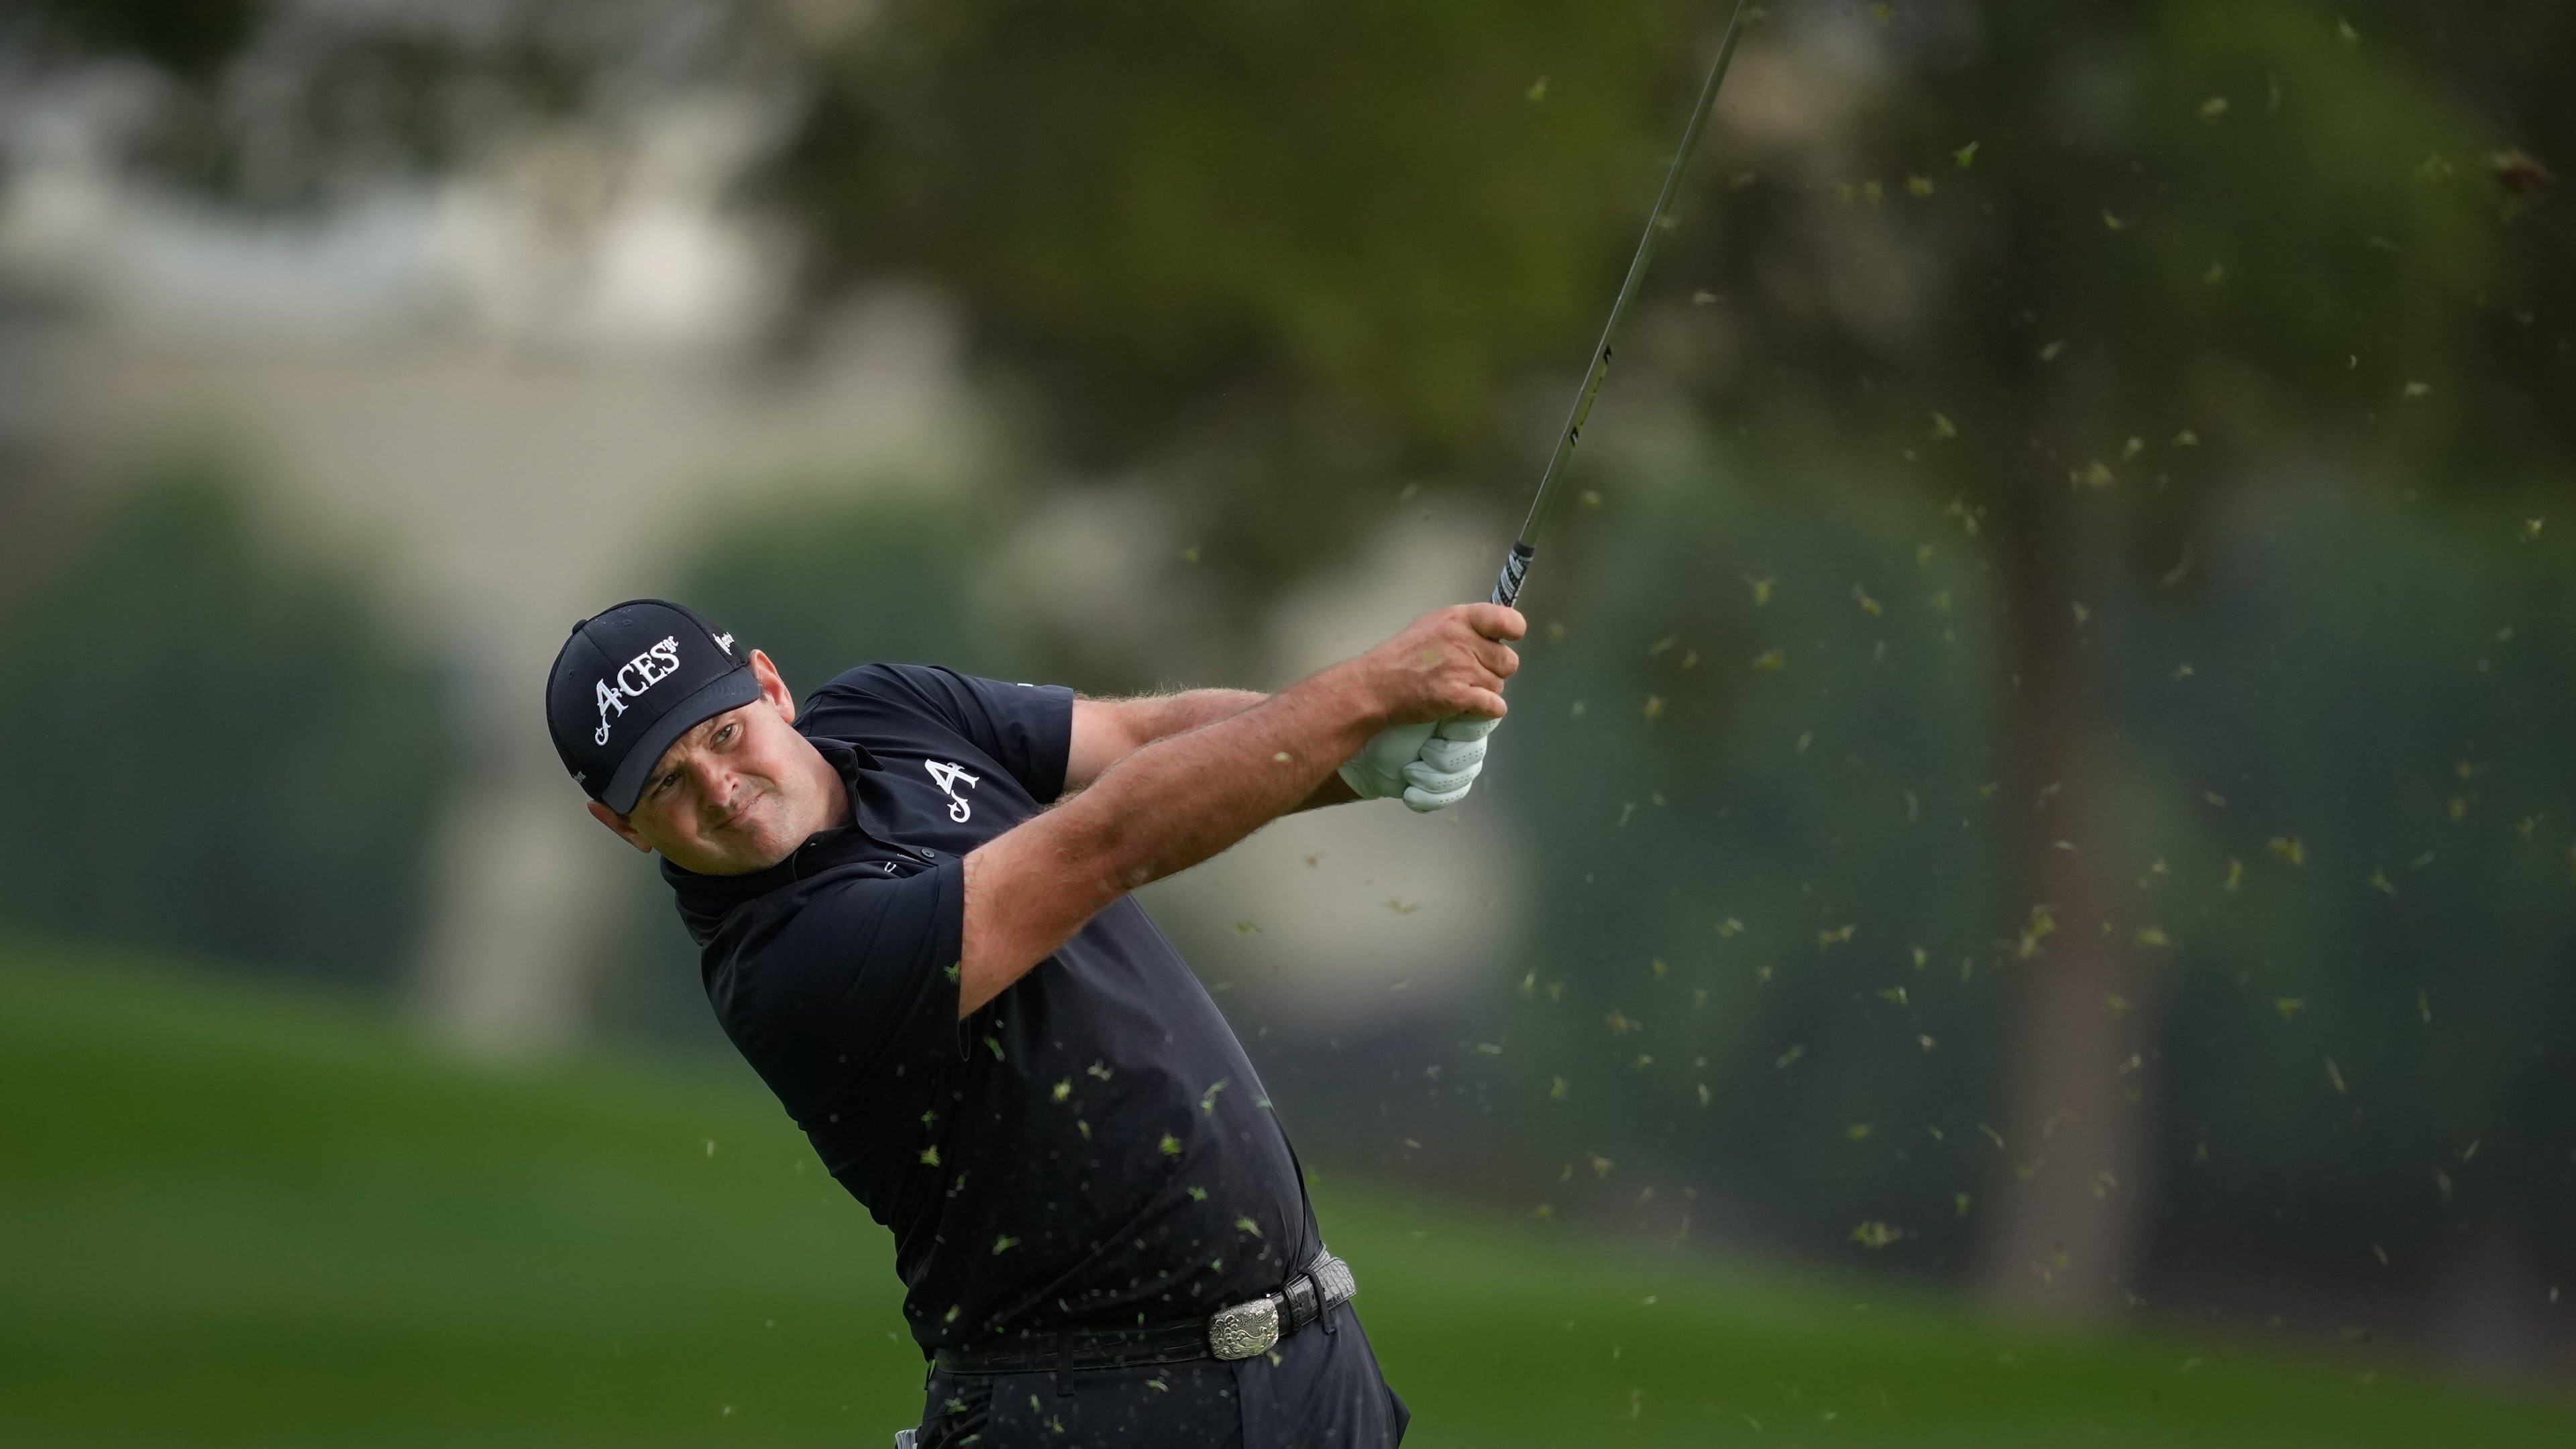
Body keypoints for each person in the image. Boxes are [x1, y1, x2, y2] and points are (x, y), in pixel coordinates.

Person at [543, 597, 1521, 1448]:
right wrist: (1360, 697)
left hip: (1315, 1371)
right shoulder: (782, 965)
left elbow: (1137, 741)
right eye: (665, 785)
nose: (719, 789)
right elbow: (1102, 844)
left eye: (723, 735)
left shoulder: (887, 709)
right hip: (1088, 1405)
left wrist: (1356, 760)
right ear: (622, 827)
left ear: (770, 688)